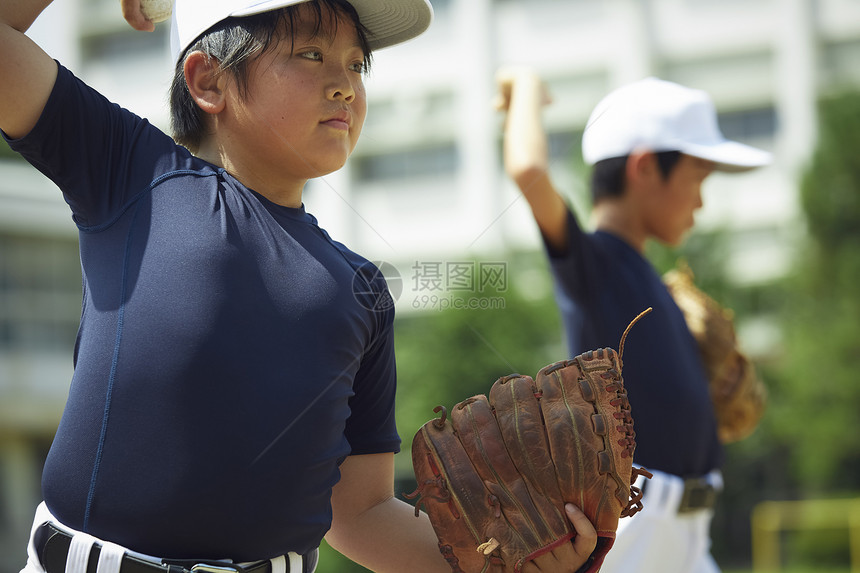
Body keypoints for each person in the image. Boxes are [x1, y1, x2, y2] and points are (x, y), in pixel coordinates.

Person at [1, 1, 599, 572]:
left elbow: (361, 512)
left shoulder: (361, 287)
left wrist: (508, 562)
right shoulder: (131, 170)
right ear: (208, 80)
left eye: (357, 64)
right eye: (311, 54)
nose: (345, 84)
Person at [496, 68, 771, 573]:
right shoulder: (595, 265)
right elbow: (527, 171)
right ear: (645, 167)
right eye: (697, 178)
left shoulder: (650, 279)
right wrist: (527, 89)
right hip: (635, 533)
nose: (702, 200)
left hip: (689, 532)